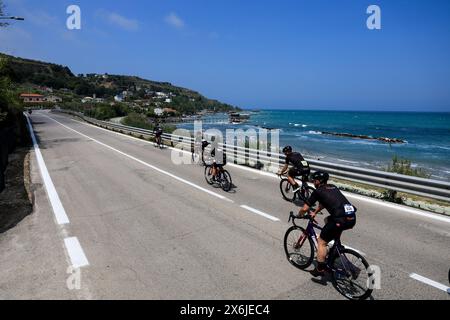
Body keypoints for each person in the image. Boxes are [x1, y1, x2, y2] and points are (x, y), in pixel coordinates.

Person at [297, 171, 357, 277]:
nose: (313, 182)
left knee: (322, 242)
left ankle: (320, 269)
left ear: (318, 181)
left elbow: (305, 208)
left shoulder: (317, 191)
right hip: (351, 217)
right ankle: (336, 244)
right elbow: (325, 201)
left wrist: (300, 215)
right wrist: (315, 212)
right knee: (327, 220)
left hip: (340, 220)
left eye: (314, 180)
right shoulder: (332, 187)